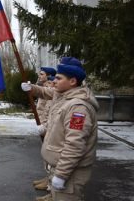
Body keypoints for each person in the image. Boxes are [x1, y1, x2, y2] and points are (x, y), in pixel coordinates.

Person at [21, 57, 99, 201]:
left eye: (58, 78)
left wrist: (61, 175)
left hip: (70, 173)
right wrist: (32, 88)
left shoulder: (78, 108)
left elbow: (74, 146)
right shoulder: (64, 95)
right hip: (60, 167)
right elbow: (46, 92)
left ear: (72, 81)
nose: (54, 81)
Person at [33, 67, 57, 192]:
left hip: (48, 126)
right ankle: (48, 178)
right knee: (45, 154)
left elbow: (50, 110)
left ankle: (50, 182)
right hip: (43, 124)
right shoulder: (45, 87)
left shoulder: (51, 89)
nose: (39, 76)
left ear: (49, 76)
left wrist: (45, 126)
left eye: (42, 74)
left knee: (49, 155)